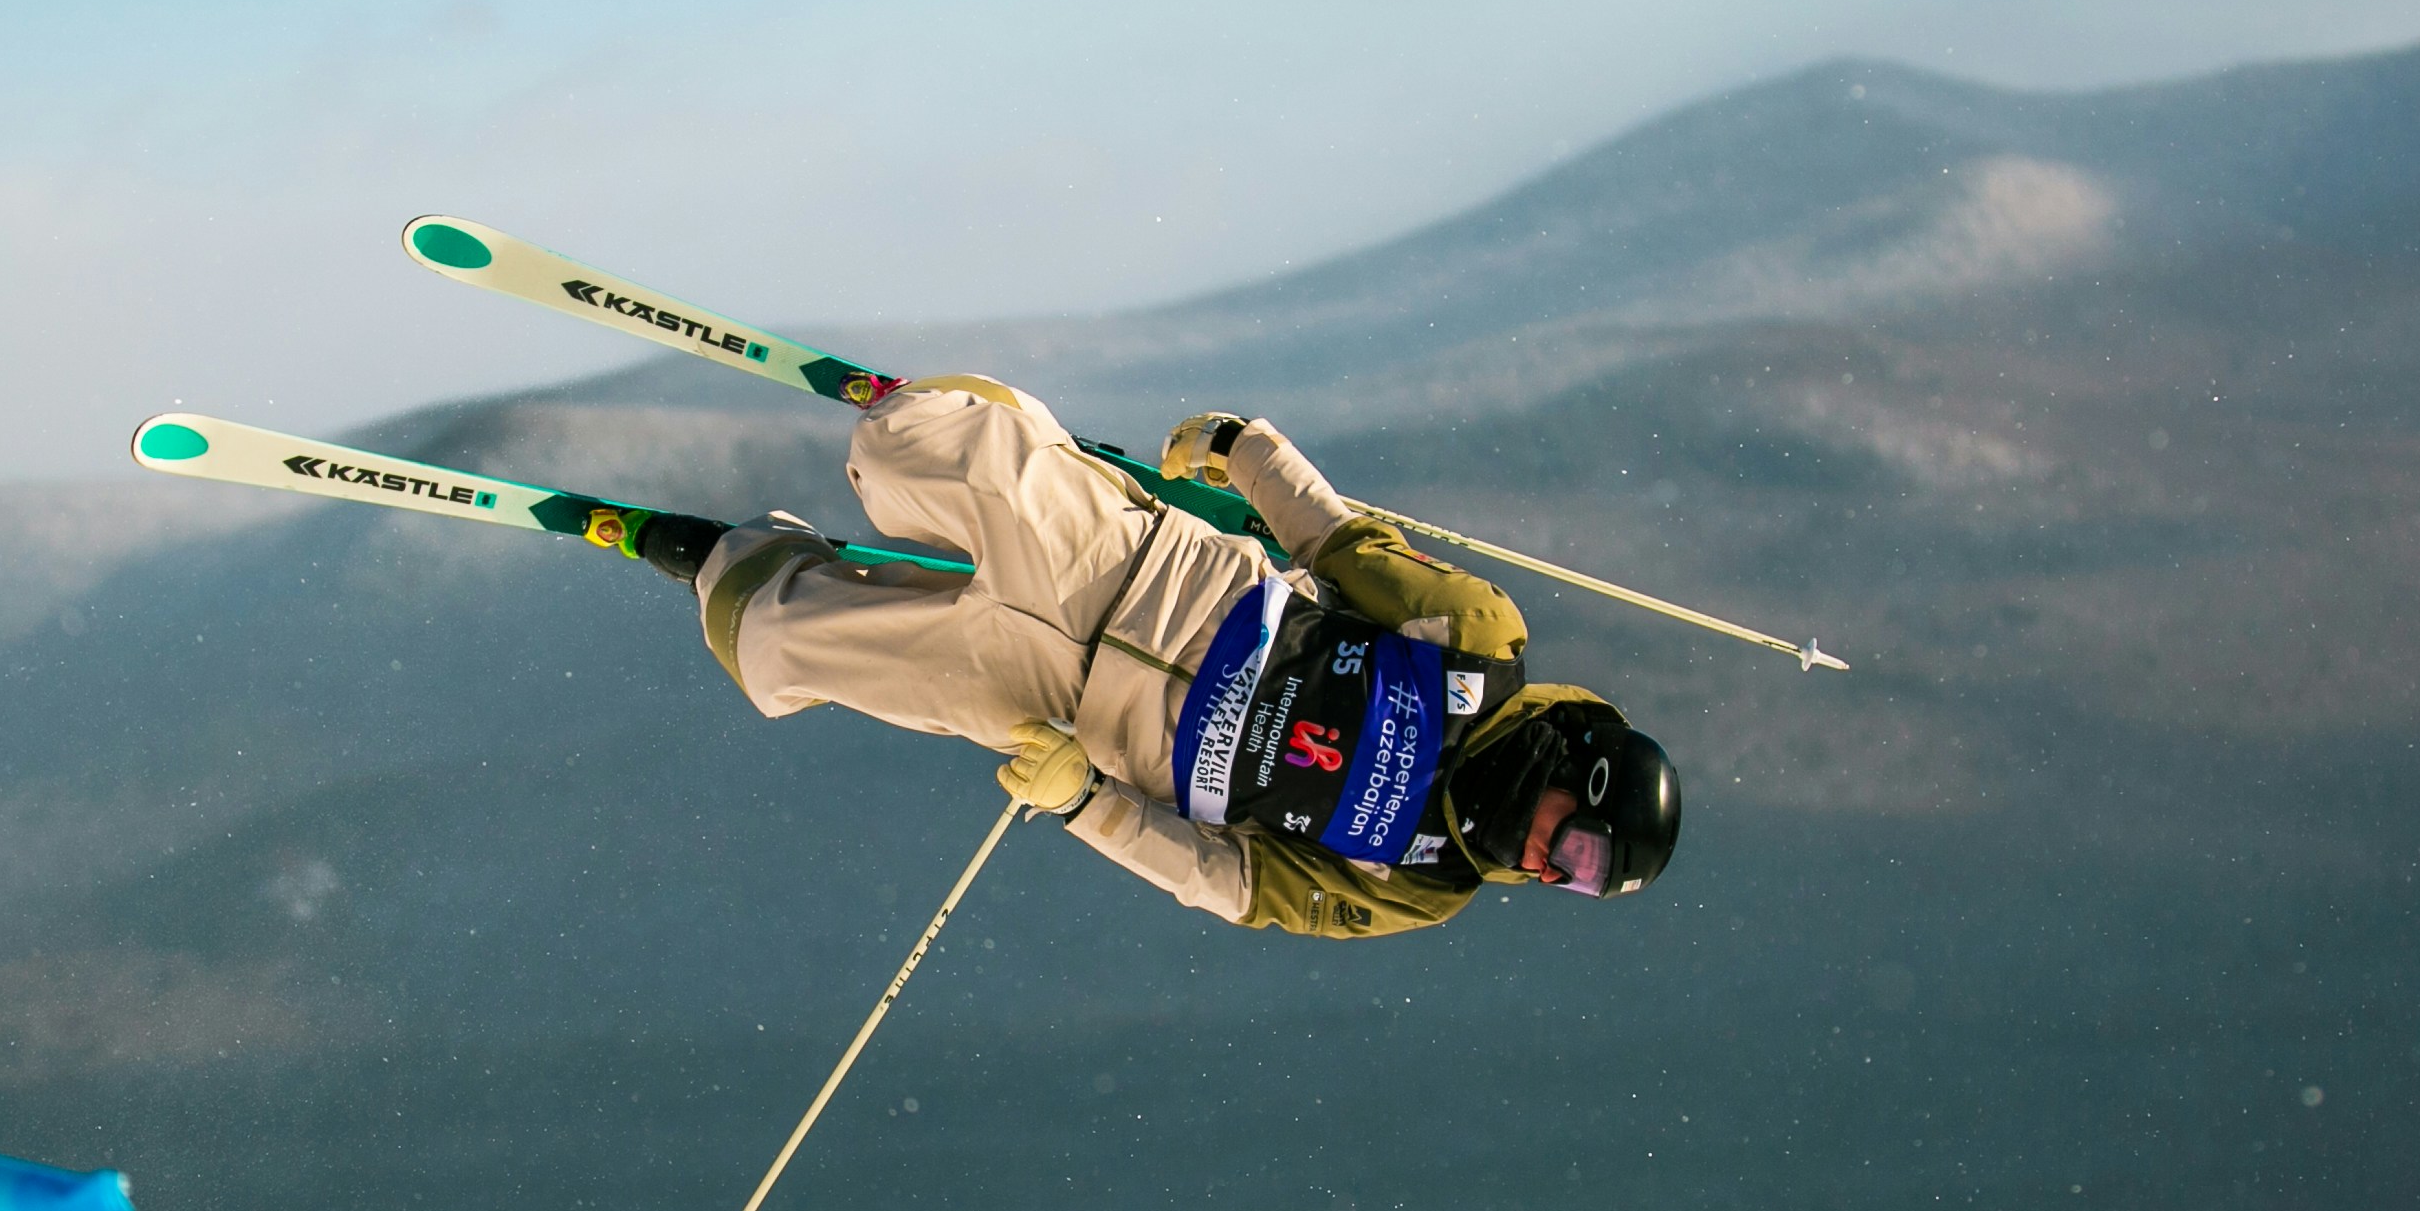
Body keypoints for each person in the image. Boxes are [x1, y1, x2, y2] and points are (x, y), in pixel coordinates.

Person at [624, 376, 1680, 938]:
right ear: (1572, 771)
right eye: (1577, 851)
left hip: (1065, 711)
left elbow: (1226, 881)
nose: (1545, 870)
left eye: (1571, 884)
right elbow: (1342, 542)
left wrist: (1086, 800)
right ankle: (970, 436)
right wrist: (1241, 448)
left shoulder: (1422, 882)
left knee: (776, 643)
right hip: (1135, 570)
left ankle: (730, 560)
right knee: (922, 441)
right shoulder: (1480, 650)